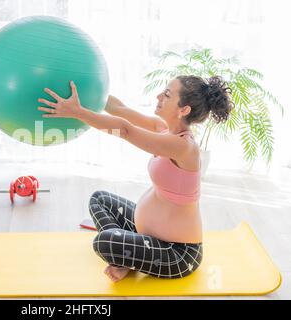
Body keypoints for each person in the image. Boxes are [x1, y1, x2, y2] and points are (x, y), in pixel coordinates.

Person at [37, 75, 234, 282]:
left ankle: (125, 257)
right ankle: (126, 258)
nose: (158, 96)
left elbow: (124, 130)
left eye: (166, 95)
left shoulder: (184, 147)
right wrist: (88, 88)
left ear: (183, 110)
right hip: (148, 235)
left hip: (178, 253)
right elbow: (120, 110)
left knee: (103, 242)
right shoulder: (163, 128)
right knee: (100, 199)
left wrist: (76, 112)